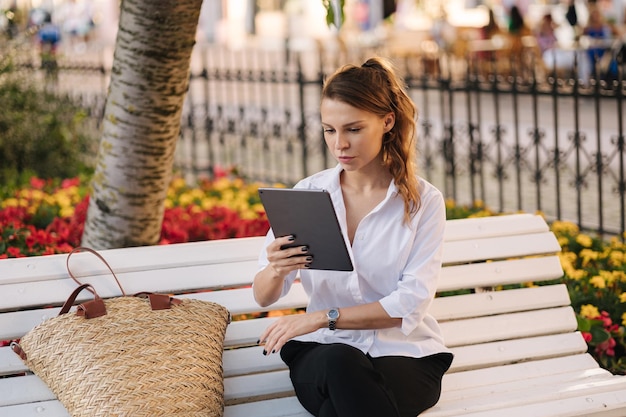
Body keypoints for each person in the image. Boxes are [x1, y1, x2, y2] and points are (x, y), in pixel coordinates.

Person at [253, 57, 453, 417]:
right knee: (341, 363)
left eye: (353, 129)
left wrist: (320, 317)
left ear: (387, 121)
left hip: (405, 355)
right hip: (324, 353)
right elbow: (264, 295)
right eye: (329, 130)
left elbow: (409, 303)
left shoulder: (423, 202)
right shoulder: (309, 195)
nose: (339, 144)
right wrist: (276, 269)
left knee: (343, 404)